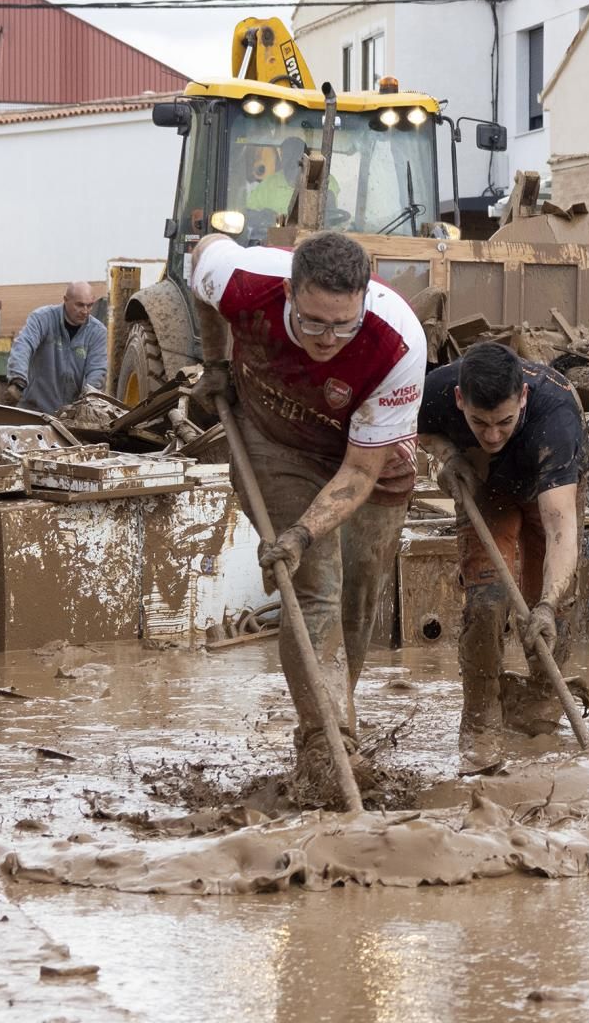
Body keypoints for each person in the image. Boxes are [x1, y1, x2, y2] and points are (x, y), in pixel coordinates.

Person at [188, 229, 425, 774]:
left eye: (344, 323)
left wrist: (300, 532)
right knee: (316, 583)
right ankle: (325, 743)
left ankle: (337, 711)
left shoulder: (397, 343)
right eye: (314, 322)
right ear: (290, 294)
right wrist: (213, 360)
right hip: (277, 441)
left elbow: (360, 471)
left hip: (369, 458)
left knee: (358, 599)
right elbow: (203, 249)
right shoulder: (245, 282)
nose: (328, 338)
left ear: (364, 298)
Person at [417, 342, 585, 755]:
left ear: (523, 397)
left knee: (551, 606)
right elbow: (402, 422)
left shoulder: (556, 417)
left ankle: (541, 708)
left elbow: (561, 527)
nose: (492, 435)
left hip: (549, 485)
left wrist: (544, 605)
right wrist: (449, 454)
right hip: (485, 483)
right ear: (460, 400)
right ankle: (479, 724)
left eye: (504, 422)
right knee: (487, 600)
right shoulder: (436, 391)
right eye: (479, 422)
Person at [6, 282, 108, 413]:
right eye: (80, 305)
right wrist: (18, 380)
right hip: (33, 410)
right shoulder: (42, 319)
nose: (85, 311)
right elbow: (24, 345)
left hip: (69, 415)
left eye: (90, 305)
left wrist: (89, 399)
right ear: (65, 300)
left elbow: (97, 369)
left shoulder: (97, 332)